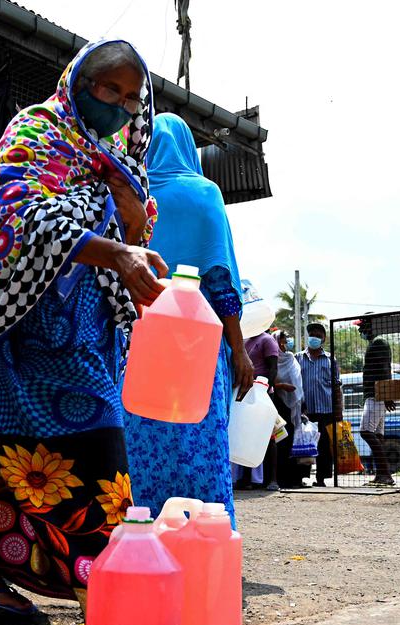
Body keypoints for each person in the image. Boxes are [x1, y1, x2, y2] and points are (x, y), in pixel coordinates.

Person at [0, 40, 167, 614]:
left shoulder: (116, 153)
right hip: (26, 321)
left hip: (86, 330)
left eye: (131, 97)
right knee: (97, 446)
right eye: (109, 89)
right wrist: (115, 253)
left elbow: (138, 232)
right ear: (79, 82)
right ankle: (109, 589)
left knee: (19, 455)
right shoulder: (37, 132)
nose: (120, 104)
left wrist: (130, 214)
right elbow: (16, 213)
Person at [122, 112, 253, 525]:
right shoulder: (204, 193)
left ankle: (142, 534)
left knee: (143, 441)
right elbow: (221, 279)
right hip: (199, 343)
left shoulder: (135, 194)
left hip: (140, 343)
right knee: (200, 440)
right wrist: (239, 350)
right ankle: (206, 532)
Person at [236, 328, 291, 490]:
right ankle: (246, 479)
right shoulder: (246, 340)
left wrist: (265, 390)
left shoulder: (267, 340)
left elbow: (273, 368)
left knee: (269, 436)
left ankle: (272, 480)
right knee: (247, 436)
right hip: (246, 393)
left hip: (263, 394)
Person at [297, 321, 343, 486]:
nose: (314, 337)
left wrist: (339, 410)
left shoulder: (330, 359)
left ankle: (321, 479)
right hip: (305, 410)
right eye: (312, 334)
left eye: (318, 334)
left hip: (326, 409)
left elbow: (337, 386)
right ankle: (302, 477)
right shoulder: (298, 358)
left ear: (323, 338)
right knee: (305, 443)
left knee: (324, 446)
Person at [356, 316, 397, 487]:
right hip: (377, 395)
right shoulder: (378, 342)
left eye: (362, 326)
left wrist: (387, 394)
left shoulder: (379, 342)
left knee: (366, 432)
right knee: (378, 436)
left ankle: (385, 474)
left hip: (376, 395)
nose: (360, 331)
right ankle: (382, 474)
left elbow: (384, 368)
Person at [273, 329, 305, 488]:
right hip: (278, 406)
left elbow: (298, 383)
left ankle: (296, 479)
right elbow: (269, 380)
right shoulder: (272, 359)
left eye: (286, 341)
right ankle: (282, 479)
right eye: (282, 341)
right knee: (281, 443)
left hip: (295, 407)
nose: (285, 344)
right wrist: (281, 386)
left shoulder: (291, 359)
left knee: (294, 442)